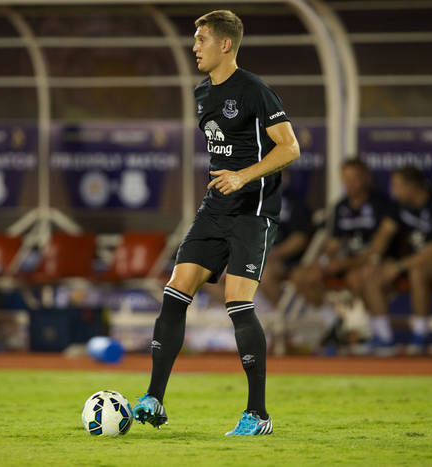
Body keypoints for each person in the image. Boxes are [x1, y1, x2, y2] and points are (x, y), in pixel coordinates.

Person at [131, 10, 300, 436]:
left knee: (237, 302)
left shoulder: (255, 90)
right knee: (175, 292)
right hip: (214, 209)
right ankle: (153, 398)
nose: (194, 47)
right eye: (195, 39)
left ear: (225, 44)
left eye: (202, 39)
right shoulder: (202, 91)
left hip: (252, 211)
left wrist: (243, 176)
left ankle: (258, 415)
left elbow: (290, 148)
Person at [290, 159, 398, 342]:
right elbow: (333, 245)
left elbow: (377, 250)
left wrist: (343, 264)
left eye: (354, 178)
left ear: (365, 178)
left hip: (371, 264)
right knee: (301, 276)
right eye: (346, 179)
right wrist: (325, 262)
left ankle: (376, 334)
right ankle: (335, 324)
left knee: (360, 277)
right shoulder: (340, 207)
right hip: (345, 263)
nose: (350, 184)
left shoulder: (382, 205)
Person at [360, 167, 432, 355]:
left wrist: (399, 266)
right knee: (372, 274)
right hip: (408, 261)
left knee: (418, 272)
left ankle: (419, 336)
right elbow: (384, 234)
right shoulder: (399, 205)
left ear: (412, 187)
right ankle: (384, 337)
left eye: (397, 185)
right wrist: (374, 260)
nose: (393, 190)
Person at [259, 175, 311, 308]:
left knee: (263, 273)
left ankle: (282, 313)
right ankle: (237, 312)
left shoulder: (296, 203)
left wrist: (272, 254)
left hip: (284, 261)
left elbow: (299, 240)